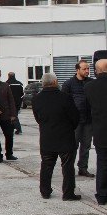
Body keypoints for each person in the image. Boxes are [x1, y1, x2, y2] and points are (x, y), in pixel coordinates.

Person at [32, 72, 81, 200]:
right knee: (68, 166)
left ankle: (45, 191)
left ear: (43, 83)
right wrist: (70, 128)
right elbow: (75, 117)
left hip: (47, 137)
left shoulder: (36, 98)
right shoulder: (65, 97)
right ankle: (68, 193)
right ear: (55, 82)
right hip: (65, 137)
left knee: (46, 165)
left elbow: (38, 118)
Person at [62, 60, 95, 178]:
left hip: (89, 120)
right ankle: (69, 169)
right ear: (77, 70)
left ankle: (83, 168)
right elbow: (64, 103)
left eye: (88, 69)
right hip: (74, 122)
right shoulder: (68, 84)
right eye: (84, 69)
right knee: (72, 146)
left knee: (86, 146)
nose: (87, 71)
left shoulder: (91, 83)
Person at [85, 59, 107, 205]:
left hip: (100, 131)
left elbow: (86, 110)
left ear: (96, 70)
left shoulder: (89, 86)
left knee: (102, 164)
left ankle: (102, 195)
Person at [0, 68, 17, 162]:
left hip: (6, 115)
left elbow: (11, 100)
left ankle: (9, 154)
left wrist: (13, 114)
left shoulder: (5, 86)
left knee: (9, 135)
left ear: (0, 75)